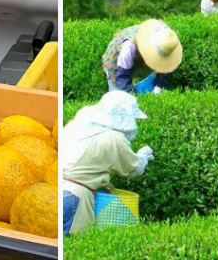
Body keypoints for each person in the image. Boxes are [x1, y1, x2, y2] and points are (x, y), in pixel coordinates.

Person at [60, 90, 153, 237]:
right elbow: (133, 169)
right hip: (74, 197)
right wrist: (143, 156)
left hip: (54, 187)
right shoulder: (114, 138)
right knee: (70, 244)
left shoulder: (80, 124)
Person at [102, 19, 182, 94]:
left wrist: (159, 87)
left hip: (137, 58)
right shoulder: (129, 47)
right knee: (118, 95)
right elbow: (121, 75)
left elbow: (166, 66)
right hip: (116, 63)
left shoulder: (167, 39)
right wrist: (131, 96)